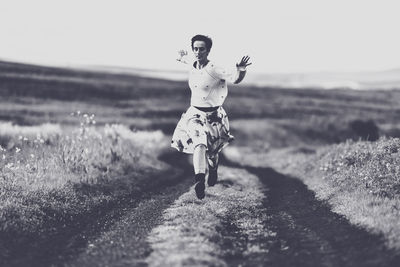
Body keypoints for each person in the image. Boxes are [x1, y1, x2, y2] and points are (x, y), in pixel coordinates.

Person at [171, 34, 251, 199]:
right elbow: (183, 59)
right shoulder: (192, 64)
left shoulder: (214, 68)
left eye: (201, 49)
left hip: (214, 116)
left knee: (213, 152)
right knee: (199, 144)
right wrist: (180, 55)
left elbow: (235, 79)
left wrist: (241, 69)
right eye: (195, 49)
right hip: (195, 114)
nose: (198, 52)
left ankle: (213, 169)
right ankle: (200, 180)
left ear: (208, 51)